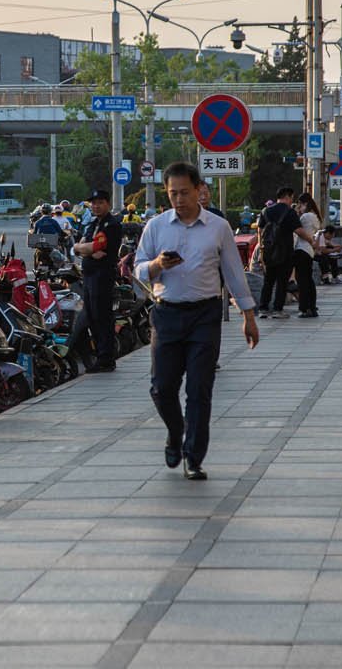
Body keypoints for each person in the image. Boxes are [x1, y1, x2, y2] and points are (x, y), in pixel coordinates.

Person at [135, 163, 259, 480]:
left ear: (200, 189)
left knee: (199, 389)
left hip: (205, 315)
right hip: (166, 314)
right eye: (173, 193)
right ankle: (176, 433)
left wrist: (248, 315)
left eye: (185, 192)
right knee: (161, 388)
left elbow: (233, 272)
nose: (179, 199)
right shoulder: (156, 227)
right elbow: (137, 270)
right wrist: (156, 265)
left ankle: (193, 456)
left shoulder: (218, 227)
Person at [74, 188, 123, 373]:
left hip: (102, 276)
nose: (96, 206)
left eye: (100, 202)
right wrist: (85, 248)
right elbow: (78, 247)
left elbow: (99, 248)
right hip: (88, 275)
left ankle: (106, 358)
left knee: (102, 316)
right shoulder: (92, 223)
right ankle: (99, 356)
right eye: (93, 203)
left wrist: (87, 248)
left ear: (108, 204)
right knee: (91, 316)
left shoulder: (112, 224)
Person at [257, 187, 301, 320]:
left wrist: (262, 249)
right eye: (292, 198)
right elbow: (298, 231)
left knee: (268, 281)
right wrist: (310, 240)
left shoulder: (266, 211)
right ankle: (277, 309)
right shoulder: (290, 212)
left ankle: (263, 309)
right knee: (282, 282)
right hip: (285, 252)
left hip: (269, 252)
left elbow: (259, 231)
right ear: (288, 196)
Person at [292, 193, 321, 317]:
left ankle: (304, 308)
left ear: (305, 203)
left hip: (302, 249)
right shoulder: (314, 216)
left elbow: (297, 229)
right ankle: (312, 307)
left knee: (302, 281)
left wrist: (297, 213)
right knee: (309, 280)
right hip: (309, 251)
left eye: (300, 204)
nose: (299, 206)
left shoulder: (306, 217)